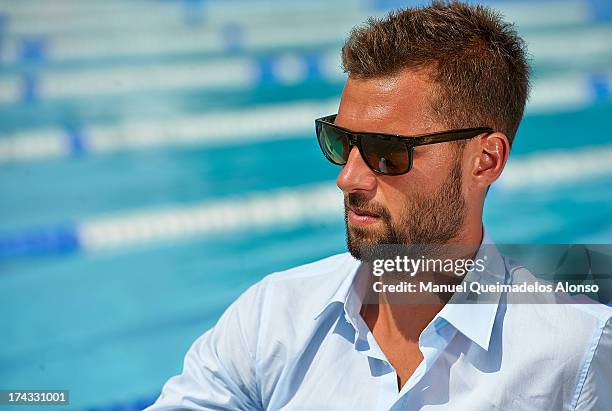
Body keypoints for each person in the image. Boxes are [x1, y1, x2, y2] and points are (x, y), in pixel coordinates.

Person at [146, 2, 612, 410]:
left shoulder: (577, 350)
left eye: (387, 151)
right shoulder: (272, 318)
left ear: (485, 161)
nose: (347, 178)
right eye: (341, 141)